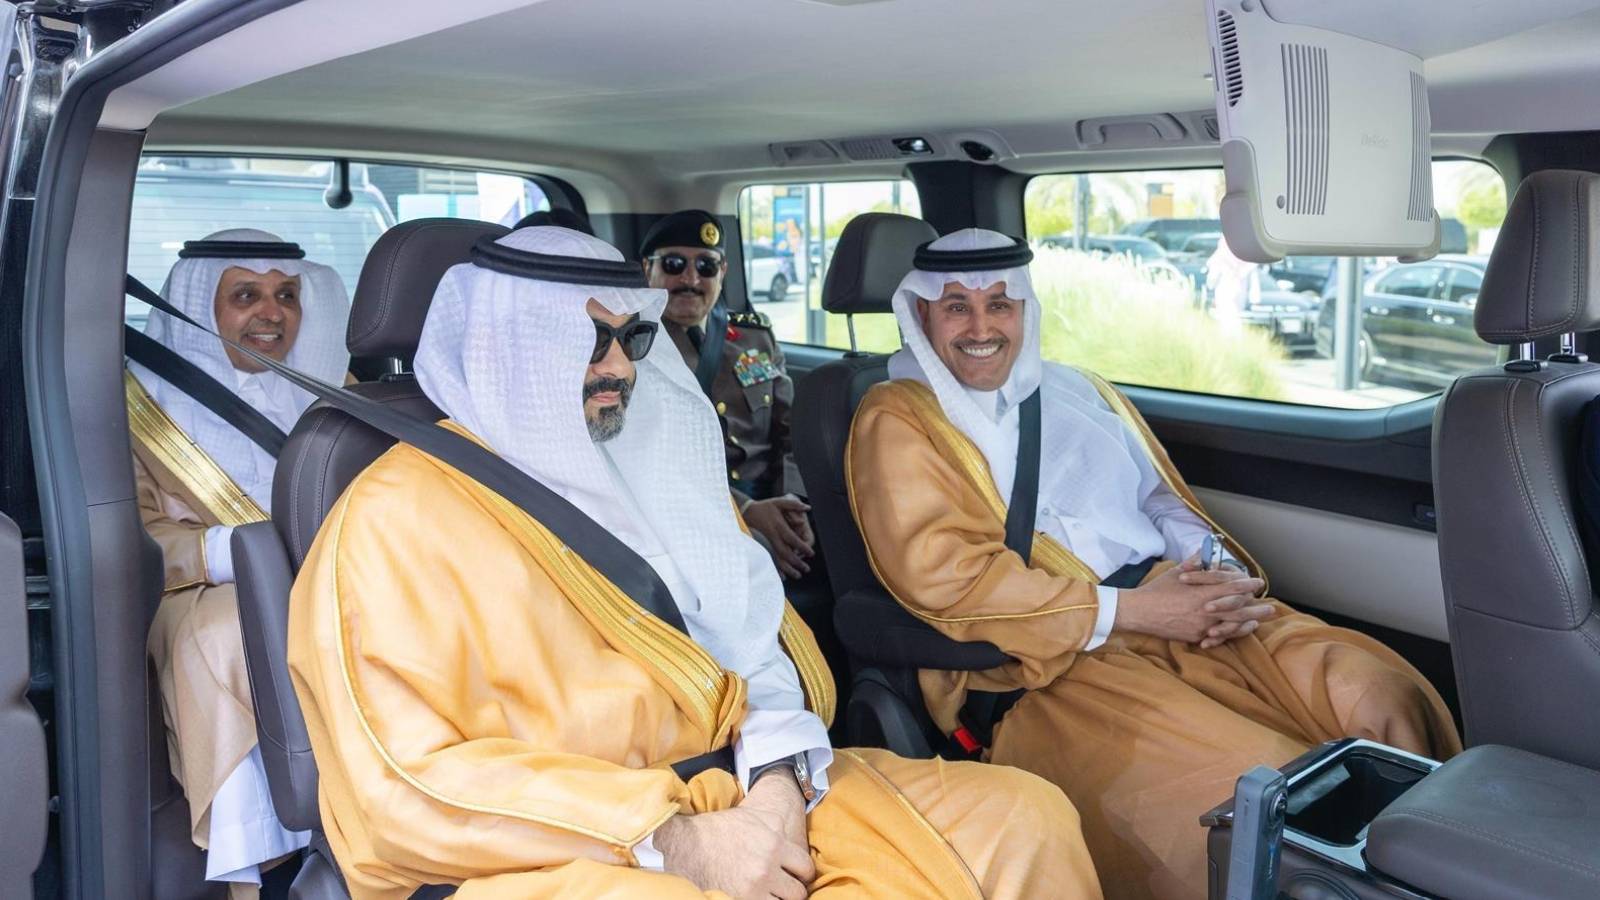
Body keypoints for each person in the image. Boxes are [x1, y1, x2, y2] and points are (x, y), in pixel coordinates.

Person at [287, 225, 1102, 899]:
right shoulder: (392, 516)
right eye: (586, 340)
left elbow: (754, 648)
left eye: (630, 337)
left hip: (746, 787)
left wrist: (775, 791)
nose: (618, 366)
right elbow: (401, 779)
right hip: (561, 849)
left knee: (1023, 819)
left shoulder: (656, 462)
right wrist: (677, 842)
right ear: (512, 348)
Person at [846, 228, 1462, 900]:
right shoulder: (898, 417)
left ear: (1023, 309)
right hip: (1046, 660)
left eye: (999, 304)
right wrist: (1138, 612)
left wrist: (1214, 576)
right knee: (1256, 791)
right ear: (923, 314)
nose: (981, 327)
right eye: (956, 307)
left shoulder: (1078, 389)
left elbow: (1158, 500)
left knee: (1381, 697)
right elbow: (952, 581)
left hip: (1179, 603)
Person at [128, 228, 349, 896]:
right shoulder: (140, 408)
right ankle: (264, 864)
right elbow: (128, 535)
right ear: (203, 306)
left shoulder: (340, 393)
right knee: (232, 630)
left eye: (287, 296)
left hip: (335, 572)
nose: (272, 313)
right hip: (197, 587)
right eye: (245, 296)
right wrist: (224, 550)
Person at [640, 210, 816, 580]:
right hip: (691, 515)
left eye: (706, 266)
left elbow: (794, 431)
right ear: (647, 269)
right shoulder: (632, 348)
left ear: (722, 272)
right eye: (674, 265)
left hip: (774, 498)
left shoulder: (754, 338)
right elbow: (649, 460)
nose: (690, 279)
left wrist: (792, 504)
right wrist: (745, 510)